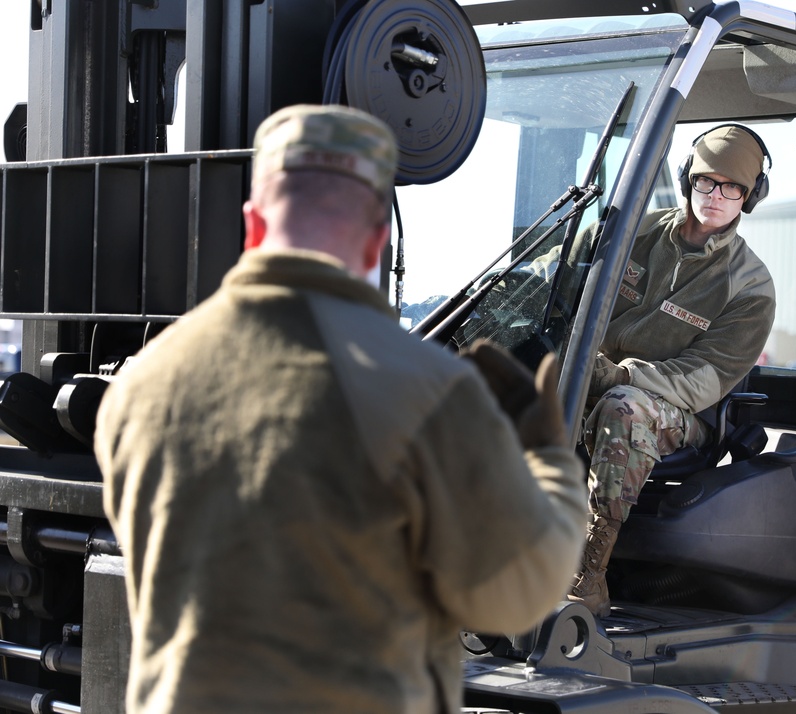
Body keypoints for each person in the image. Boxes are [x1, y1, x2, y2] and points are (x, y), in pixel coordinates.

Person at [93, 104, 587, 713]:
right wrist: (548, 461)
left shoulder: (140, 386)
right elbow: (515, 595)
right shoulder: (427, 389)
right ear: (378, 236)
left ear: (251, 225)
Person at [568, 124, 777, 617]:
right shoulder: (626, 234)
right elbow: (552, 282)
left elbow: (704, 379)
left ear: (749, 197)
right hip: (584, 378)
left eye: (733, 188)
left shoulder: (750, 286)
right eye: (707, 181)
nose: (716, 195)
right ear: (689, 179)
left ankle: (589, 574)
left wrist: (621, 376)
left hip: (675, 412)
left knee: (625, 408)